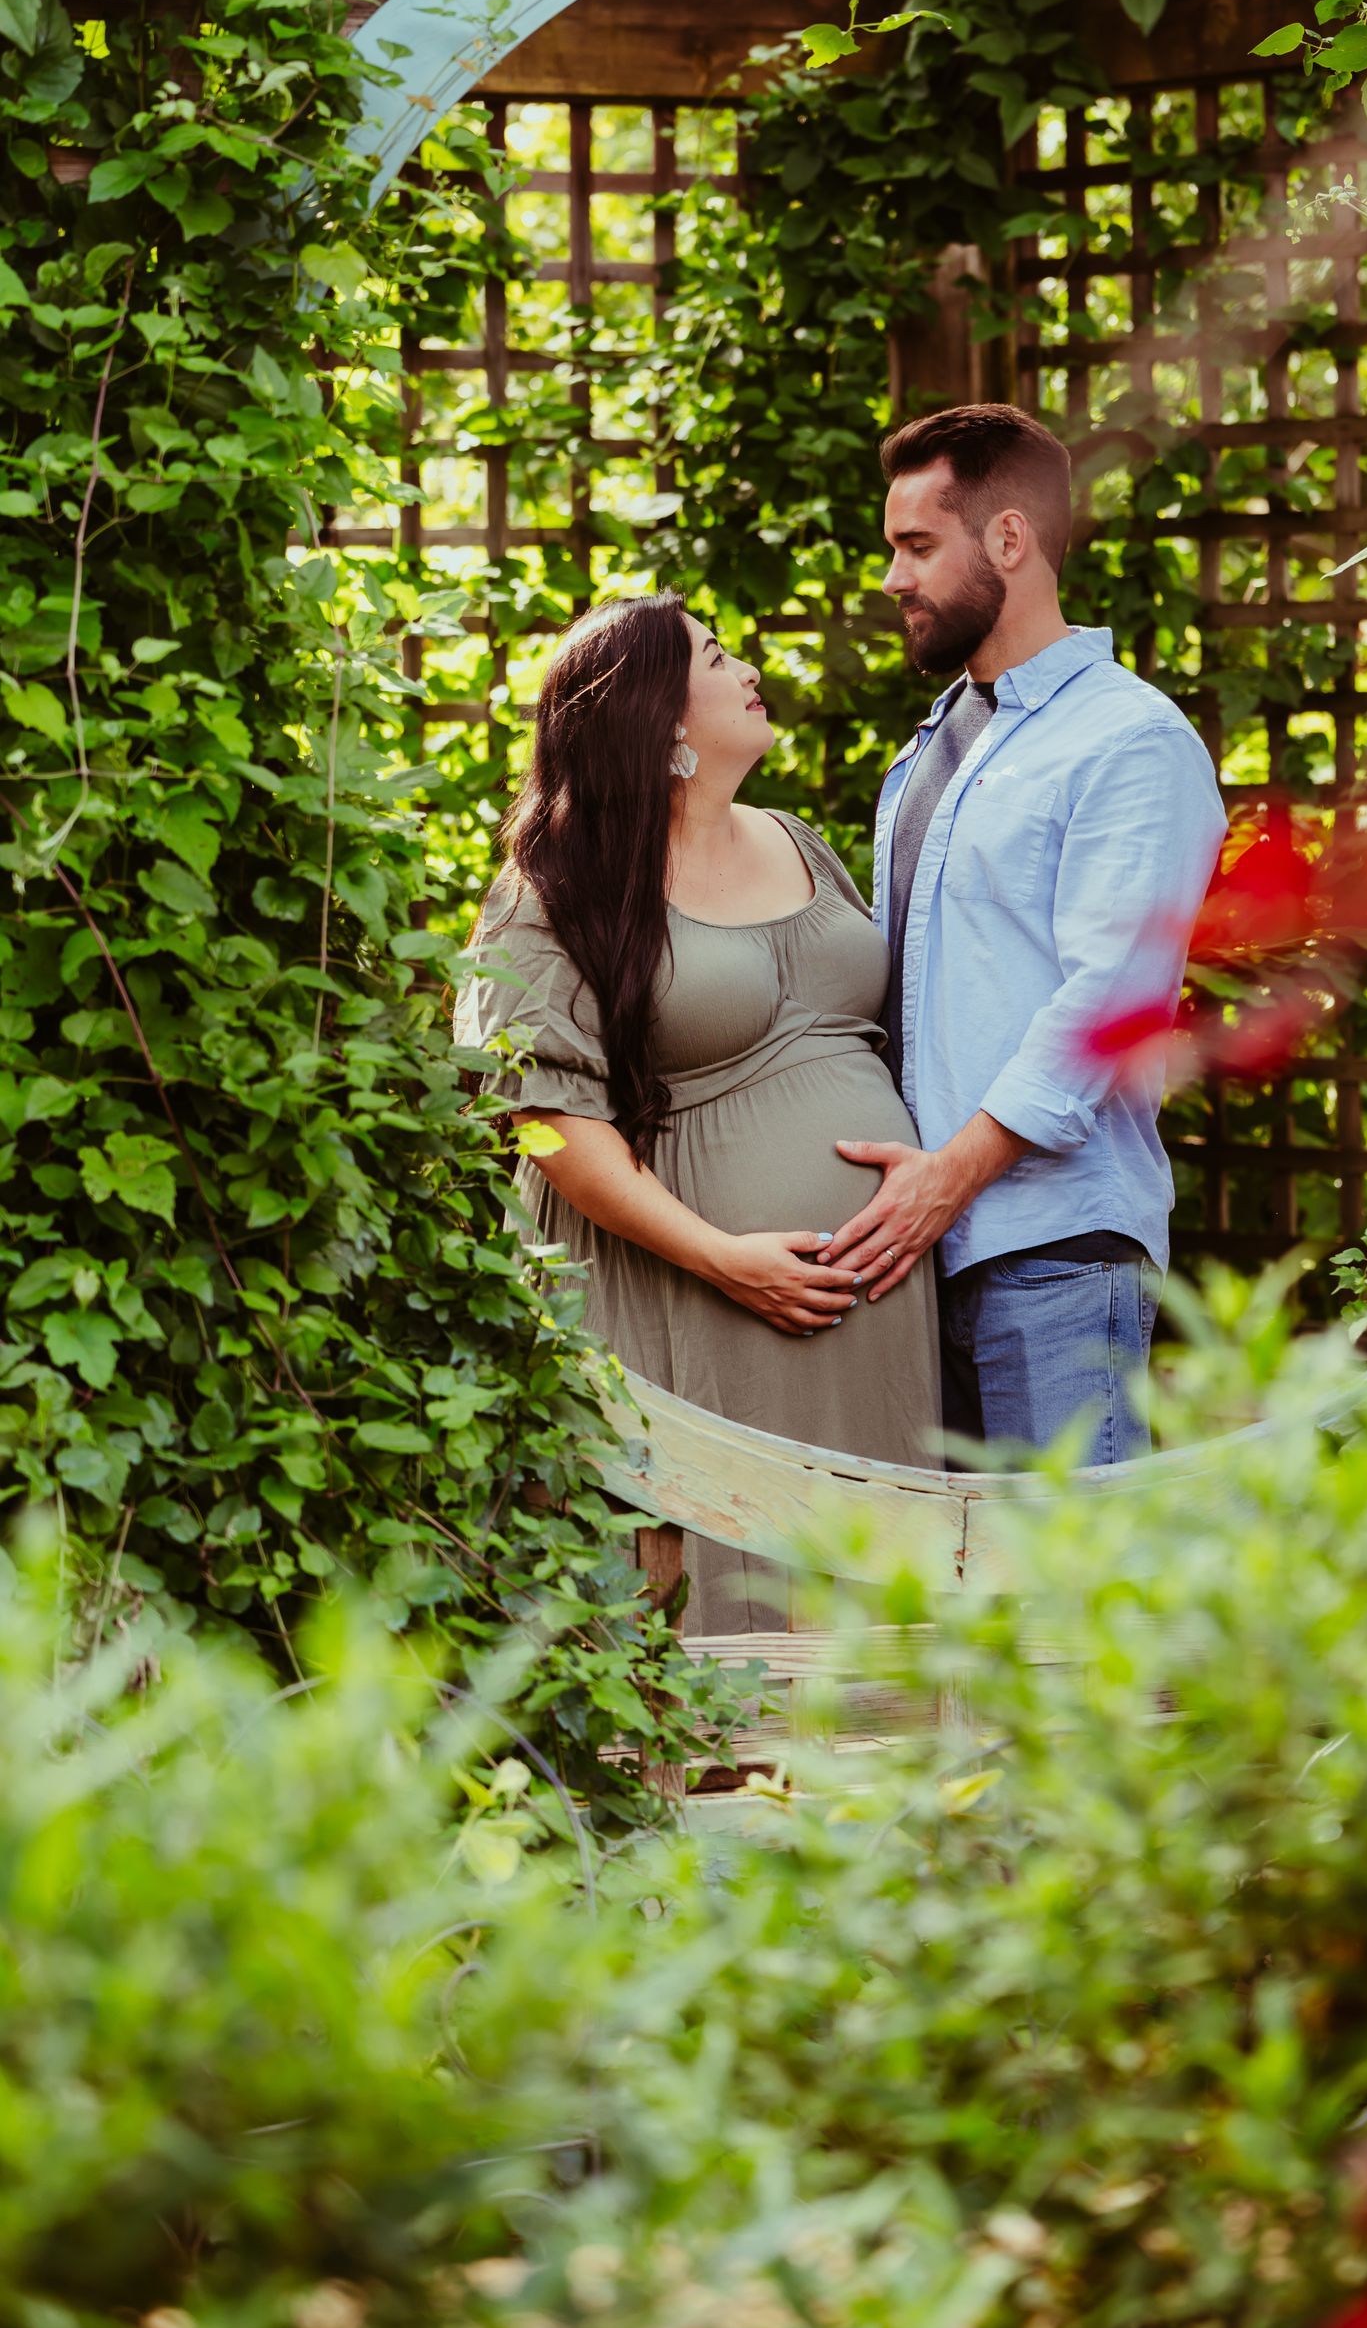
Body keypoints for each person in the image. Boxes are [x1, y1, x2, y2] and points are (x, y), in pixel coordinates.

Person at [452, 591, 939, 1634]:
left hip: (871, 1303)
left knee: (872, 1621)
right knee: (719, 1598)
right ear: (659, 715)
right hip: (696, 1292)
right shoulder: (555, 886)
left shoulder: (800, 841)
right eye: (716, 657)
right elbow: (546, 1120)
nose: (748, 668)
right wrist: (724, 1259)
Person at [824, 403, 1227, 1462]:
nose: (893, 578)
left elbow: (1109, 1002)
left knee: (1068, 1569)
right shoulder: (930, 748)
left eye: (918, 546)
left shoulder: (1129, 739)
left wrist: (948, 1178)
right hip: (921, 1259)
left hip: (1055, 1254)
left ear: (1009, 538)